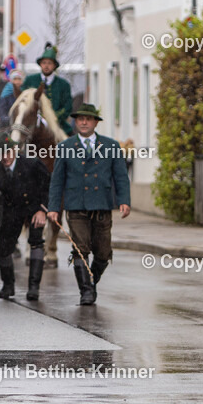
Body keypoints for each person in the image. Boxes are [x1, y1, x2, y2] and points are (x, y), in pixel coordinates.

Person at [47, 104, 131, 306]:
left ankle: (91, 281)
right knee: (80, 249)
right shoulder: (65, 147)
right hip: (76, 206)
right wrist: (53, 207)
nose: (83, 122)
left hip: (102, 204)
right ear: (76, 122)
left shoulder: (111, 146)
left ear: (95, 122)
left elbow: (121, 177)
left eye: (88, 119)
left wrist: (124, 201)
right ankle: (85, 291)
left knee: (103, 252)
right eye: (80, 119)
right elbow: (57, 181)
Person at [0, 139, 50, 301]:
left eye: (8, 153)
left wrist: (43, 210)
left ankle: (34, 287)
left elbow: (48, 186)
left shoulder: (32, 163)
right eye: (1, 154)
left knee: (36, 241)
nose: (5, 158)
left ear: (15, 150)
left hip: (34, 206)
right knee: (3, 246)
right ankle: (8, 286)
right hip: (13, 208)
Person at [22, 43, 73, 135]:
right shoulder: (30, 80)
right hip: (32, 123)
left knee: (71, 141)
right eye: (44, 63)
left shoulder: (63, 84)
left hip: (58, 124)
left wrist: (54, 117)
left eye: (49, 63)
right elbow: (23, 101)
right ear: (40, 64)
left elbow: (68, 106)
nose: (46, 66)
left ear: (54, 66)